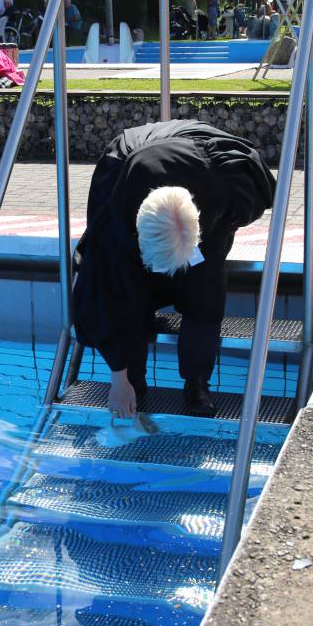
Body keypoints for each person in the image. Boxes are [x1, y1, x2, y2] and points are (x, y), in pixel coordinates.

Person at [73, 120, 275, 418]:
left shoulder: (229, 183)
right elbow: (102, 297)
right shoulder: (114, 219)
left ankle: (197, 382)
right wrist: (119, 378)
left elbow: (255, 200)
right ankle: (134, 381)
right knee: (128, 289)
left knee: (205, 284)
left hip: (203, 166)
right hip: (132, 163)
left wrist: (200, 248)